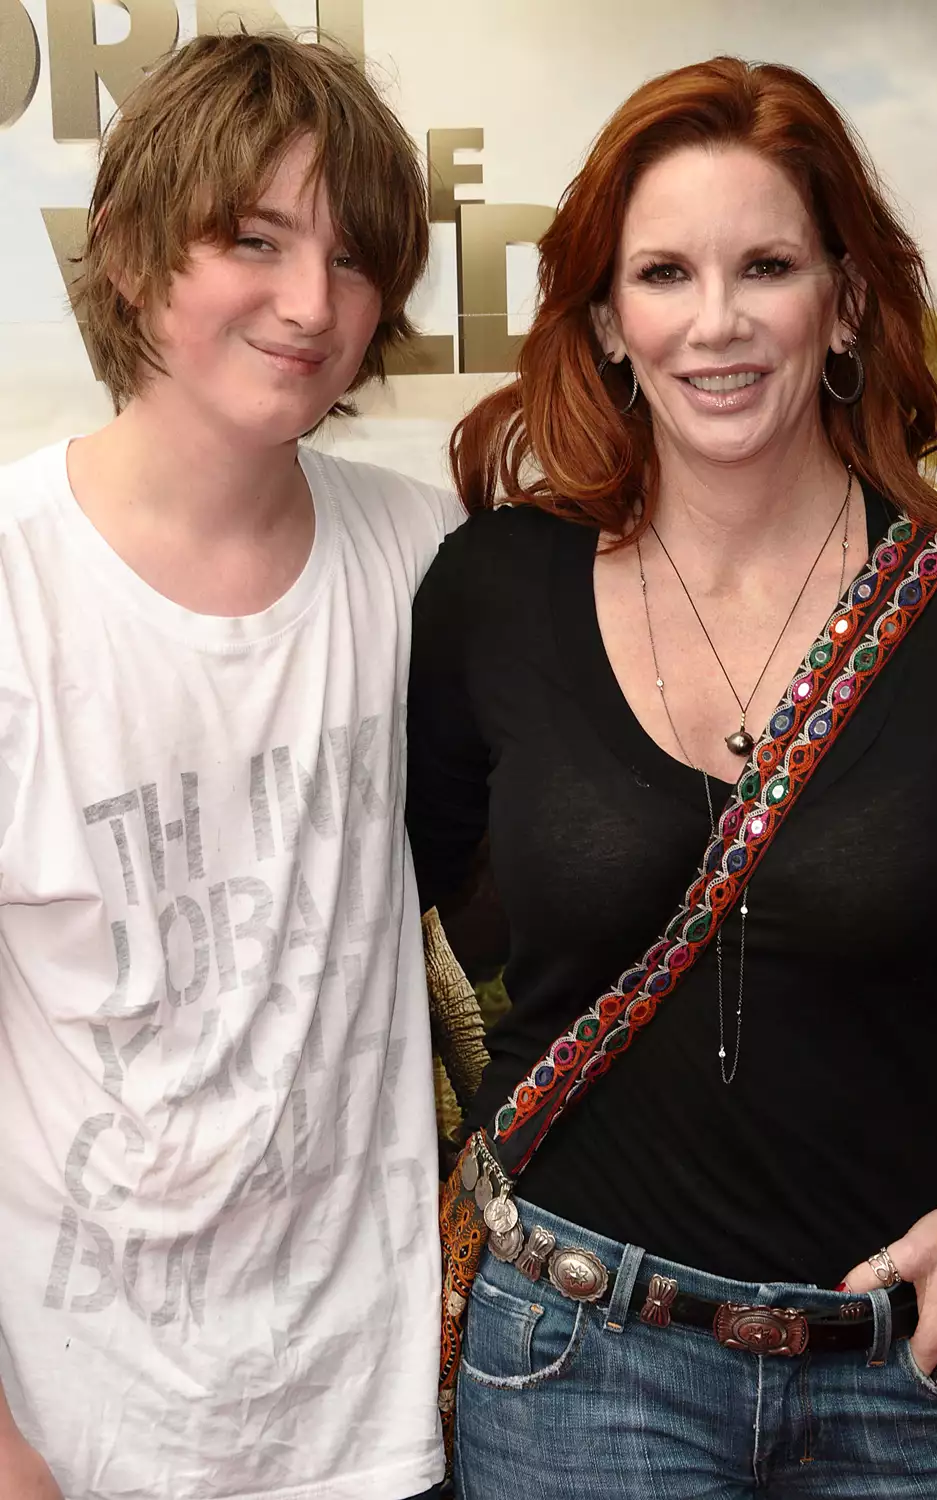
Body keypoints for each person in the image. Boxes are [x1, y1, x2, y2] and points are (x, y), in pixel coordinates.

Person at [407, 57, 937, 1498]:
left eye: (770, 266)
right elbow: (351, 921)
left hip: (919, 1371)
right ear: (609, 318)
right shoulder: (495, 587)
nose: (718, 322)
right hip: (576, 1366)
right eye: (664, 272)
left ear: (845, 301)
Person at [0, 33, 459, 1500]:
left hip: (375, 1425)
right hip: (82, 1431)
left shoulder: (418, 551)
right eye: (253, 239)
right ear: (130, 255)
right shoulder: (17, 583)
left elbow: (697, 634)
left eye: (351, 256)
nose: (310, 304)